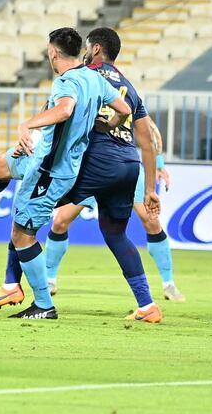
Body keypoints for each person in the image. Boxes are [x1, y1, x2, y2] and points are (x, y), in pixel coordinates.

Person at [0, 27, 131, 319]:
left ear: (53, 52)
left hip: (51, 169)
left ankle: (44, 305)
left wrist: (27, 125)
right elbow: (124, 108)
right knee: (1, 164)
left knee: (22, 233)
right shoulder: (94, 78)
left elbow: (65, 110)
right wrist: (106, 123)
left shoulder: (66, 82)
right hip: (44, 156)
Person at [44, 117, 185, 303]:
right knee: (61, 220)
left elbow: (151, 130)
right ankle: (49, 280)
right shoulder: (92, 95)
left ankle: (169, 284)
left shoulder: (124, 97)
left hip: (123, 167)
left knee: (150, 220)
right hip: (90, 166)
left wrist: (159, 164)